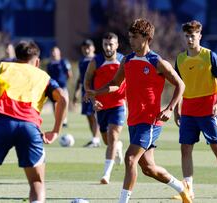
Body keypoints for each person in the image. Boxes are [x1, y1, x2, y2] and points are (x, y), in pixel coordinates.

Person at [86, 18, 191, 203]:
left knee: (129, 158)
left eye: (134, 37)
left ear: (146, 38)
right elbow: (115, 84)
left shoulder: (157, 62)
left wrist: (170, 108)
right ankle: (182, 188)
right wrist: (97, 93)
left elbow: (180, 85)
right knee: (148, 168)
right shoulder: (127, 60)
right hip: (133, 120)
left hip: (150, 122)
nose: (131, 41)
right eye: (129, 37)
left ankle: (123, 201)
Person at [0, 40, 68, 203]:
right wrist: (56, 131)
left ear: (16, 58)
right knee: (36, 182)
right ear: (37, 61)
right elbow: (63, 97)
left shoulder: (3, 67)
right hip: (30, 127)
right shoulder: (44, 76)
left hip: (1, 124)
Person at [173, 20, 217, 200]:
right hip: (188, 111)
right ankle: (188, 189)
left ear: (199, 36)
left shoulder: (210, 56)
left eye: (193, 36)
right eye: (187, 36)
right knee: (185, 148)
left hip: (208, 110)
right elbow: (179, 86)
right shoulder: (180, 59)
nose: (190, 39)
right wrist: (177, 109)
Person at [84, 33, 125, 184]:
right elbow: (87, 82)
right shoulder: (96, 61)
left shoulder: (123, 61)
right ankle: (118, 146)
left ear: (117, 45)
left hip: (118, 105)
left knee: (113, 136)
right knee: (108, 141)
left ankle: (106, 175)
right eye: (105, 44)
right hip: (100, 107)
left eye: (111, 44)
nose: (108, 47)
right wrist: (93, 100)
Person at [72, 39, 101, 147]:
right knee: (89, 116)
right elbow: (80, 78)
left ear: (93, 48)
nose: (86, 49)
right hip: (85, 93)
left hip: (95, 92)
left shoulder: (98, 60)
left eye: (89, 47)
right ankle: (95, 138)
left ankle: (96, 139)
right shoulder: (82, 61)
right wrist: (76, 93)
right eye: (84, 47)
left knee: (94, 116)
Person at [46, 46, 72, 127]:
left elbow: (69, 74)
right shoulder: (49, 64)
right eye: (52, 52)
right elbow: (48, 76)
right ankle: (57, 120)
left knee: (65, 103)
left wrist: (65, 82)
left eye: (55, 52)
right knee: (55, 105)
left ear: (59, 53)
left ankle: (64, 121)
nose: (54, 53)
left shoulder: (64, 62)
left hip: (63, 87)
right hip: (53, 88)